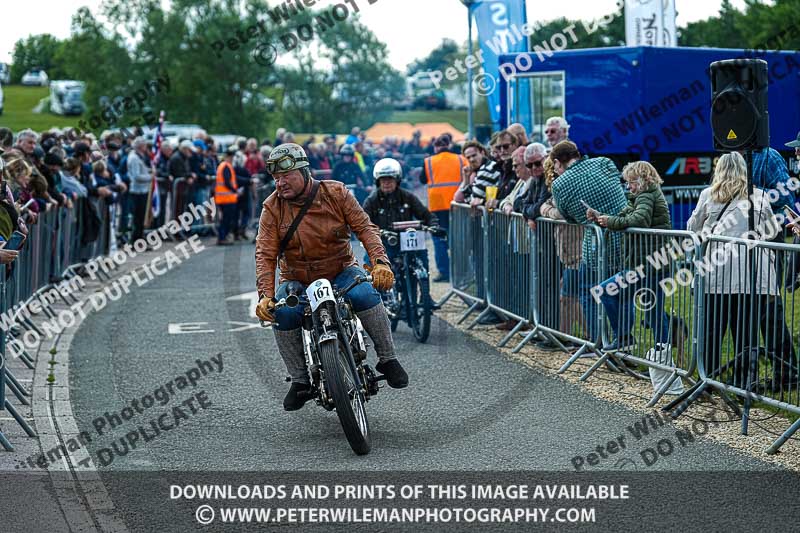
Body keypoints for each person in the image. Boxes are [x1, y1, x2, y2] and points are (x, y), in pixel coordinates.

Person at [254, 143, 408, 411]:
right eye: (275, 178)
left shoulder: (336, 192)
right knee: (284, 313)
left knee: (365, 294)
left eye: (286, 176)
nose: (280, 183)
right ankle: (300, 380)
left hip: (341, 269)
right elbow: (265, 253)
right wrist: (265, 296)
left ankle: (388, 358)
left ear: (304, 171)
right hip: (297, 279)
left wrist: (380, 263)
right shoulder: (272, 207)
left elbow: (366, 228)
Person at [688, 152, 798, 392]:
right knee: (745, 335)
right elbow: (770, 232)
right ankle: (744, 383)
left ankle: (709, 380)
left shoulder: (708, 195)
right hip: (751, 276)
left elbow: (692, 228)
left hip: (716, 275)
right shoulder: (758, 196)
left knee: (712, 332)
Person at [588, 161, 674, 358]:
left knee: (608, 292)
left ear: (644, 179)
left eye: (632, 182)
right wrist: (602, 218)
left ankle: (633, 343)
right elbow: (624, 217)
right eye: (627, 182)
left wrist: (610, 222)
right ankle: (661, 358)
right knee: (653, 312)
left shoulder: (646, 196)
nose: (629, 186)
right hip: (649, 263)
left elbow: (638, 221)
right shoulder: (642, 196)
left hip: (649, 265)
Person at [550, 141, 627, 344]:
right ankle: (624, 341)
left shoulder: (559, 184)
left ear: (558, 162)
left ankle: (599, 342)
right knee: (621, 292)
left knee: (588, 292)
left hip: (594, 245)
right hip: (626, 239)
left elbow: (569, 218)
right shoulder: (604, 162)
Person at [363, 158, 443, 309]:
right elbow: (362, 222)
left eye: (390, 179)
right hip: (384, 243)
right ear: (378, 181)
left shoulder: (407, 196)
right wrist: (373, 234)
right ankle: (376, 304)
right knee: (371, 264)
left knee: (422, 259)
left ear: (397, 180)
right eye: (383, 180)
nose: (387, 183)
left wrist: (434, 225)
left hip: (408, 241)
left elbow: (426, 215)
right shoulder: (372, 200)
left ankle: (425, 296)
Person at [422, 135, 466, 282]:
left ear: (435, 147)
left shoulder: (428, 161)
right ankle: (460, 272)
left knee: (439, 240)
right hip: (458, 205)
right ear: (449, 145)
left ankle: (444, 272)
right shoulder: (461, 159)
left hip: (437, 207)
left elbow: (423, 179)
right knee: (457, 239)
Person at [125, 137, 153, 242]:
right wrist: (150, 178)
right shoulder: (134, 158)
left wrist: (149, 171)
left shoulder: (140, 157)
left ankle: (140, 239)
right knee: (137, 218)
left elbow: (142, 170)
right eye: (145, 145)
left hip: (143, 190)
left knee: (141, 217)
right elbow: (136, 176)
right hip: (137, 191)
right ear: (141, 146)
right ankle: (135, 240)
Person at [215, 146, 240, 245]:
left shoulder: (223, 166)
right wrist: (235, 190)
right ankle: (222, 238)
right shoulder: (226, 166)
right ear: (229, 157)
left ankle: (223, 237)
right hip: (227, 198)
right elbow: (227, 182)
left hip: (224, 198)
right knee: (226, 220)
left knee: (225, 219)